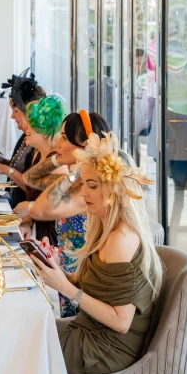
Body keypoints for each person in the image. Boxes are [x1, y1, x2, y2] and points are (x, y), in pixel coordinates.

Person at [28, 132, 163, 374]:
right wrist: (55, 267)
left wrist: (67, 289)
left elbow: (122, 322)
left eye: (92, 186)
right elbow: (91, 287)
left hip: (104, 352)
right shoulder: (105, 230)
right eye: (84, 185)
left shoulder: (120, 241)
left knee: (20, 352)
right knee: (22, 336)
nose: (83, 194)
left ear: (114, 190)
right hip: (88, 333)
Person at [16, 110, 110, 317]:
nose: (57, 143)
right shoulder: (75, 181)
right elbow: (30, 178)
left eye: (65, 138)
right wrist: (62, 161)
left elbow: (41, 210)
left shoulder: (88, 190)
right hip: (63, 277)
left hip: (74, 295)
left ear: (84, 146)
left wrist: (78, 167)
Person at [0, 71, 45, 210]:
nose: (12, 116)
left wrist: (6, 170)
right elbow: (18, 165)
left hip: (24, 210)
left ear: (28, 112)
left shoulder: (39, 143)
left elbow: (33, 188)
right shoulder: (25, 137)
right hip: (13, 204)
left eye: (16, 111)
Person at [18, 95, 68, 245]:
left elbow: (59, 208)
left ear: (46, 132)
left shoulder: (59, 167)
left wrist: (29, 208)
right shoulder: (38, 155)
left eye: (31, 124)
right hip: (36, 234)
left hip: (52, 240)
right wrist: (27, 222)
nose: (25, 126)